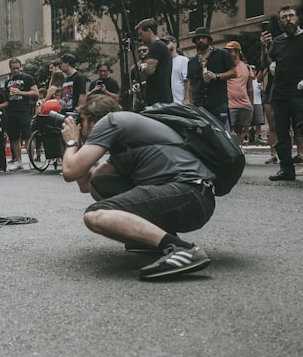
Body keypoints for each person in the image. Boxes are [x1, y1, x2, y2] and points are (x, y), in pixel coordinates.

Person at [58, 94, 215, 279]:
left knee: (94, 216)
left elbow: (69, 171)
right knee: (99, 183)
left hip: (188, 193)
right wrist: (80, 145)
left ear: (93, 119)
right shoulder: (127, 137)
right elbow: (88, 183)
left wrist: (71, 142)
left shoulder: (110, 121)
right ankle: (152, 239)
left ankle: (182, 249)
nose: (80, 128)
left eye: (81, 121)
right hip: (195, 198)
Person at [261, 5, 303, 183]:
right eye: (284, 17)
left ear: (297, 18)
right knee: (281, 133)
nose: (288, 19)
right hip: (278, 93)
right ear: (280, 22)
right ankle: (286, 169)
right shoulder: (278, 41)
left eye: (291, 16)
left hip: (299, 91)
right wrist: (264, 48)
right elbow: (268, 63)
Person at [185, 27, 235, 127]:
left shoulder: (221, 54)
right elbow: (191, 84)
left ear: (209, 39)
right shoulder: (192, 61)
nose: (201, 40)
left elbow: (234, 72)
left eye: (203, 38)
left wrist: (216, 76)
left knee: (220, 132)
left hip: (218, 102)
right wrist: (190, 101)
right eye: (198, 38)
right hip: (199, 105)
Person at [3, 58, 39, 170]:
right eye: (13, 68)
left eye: (17, 68)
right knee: (14, 137)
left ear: (20, 67)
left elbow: (35, 92)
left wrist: (20, 92)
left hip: (24, 111)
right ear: (10, 68)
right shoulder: (7, 82)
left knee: (28, 136)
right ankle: (19, 161)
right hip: (11, 111)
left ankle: (31, 161)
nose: (15, 70)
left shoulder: (27, 78)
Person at [135, 18, 173, 106]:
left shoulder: (156, 46)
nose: (139, 38)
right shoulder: (161, 46)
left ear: (149, 31)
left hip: (158, 100)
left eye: (141, 34)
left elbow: (149, 70)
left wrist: (143, 66)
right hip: (162, 98)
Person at [223, 41, 254, 144]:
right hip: (230, 104)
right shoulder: (225, 66)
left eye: (230, 51)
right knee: (228, 129)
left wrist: (251, 104)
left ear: (237, 52)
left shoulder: (246, 67)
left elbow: (250, 88)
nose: (228, 53)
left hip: (244, 104)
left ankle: (240, 150)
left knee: (239, 130)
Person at [164, 35, 189, 105]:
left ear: (175, 44)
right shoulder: (163, 62)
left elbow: (188, 81)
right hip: (168, 103)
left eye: (167, 43)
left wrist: (186, 98)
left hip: (180, 102)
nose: (165, 46)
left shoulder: (183, 60)